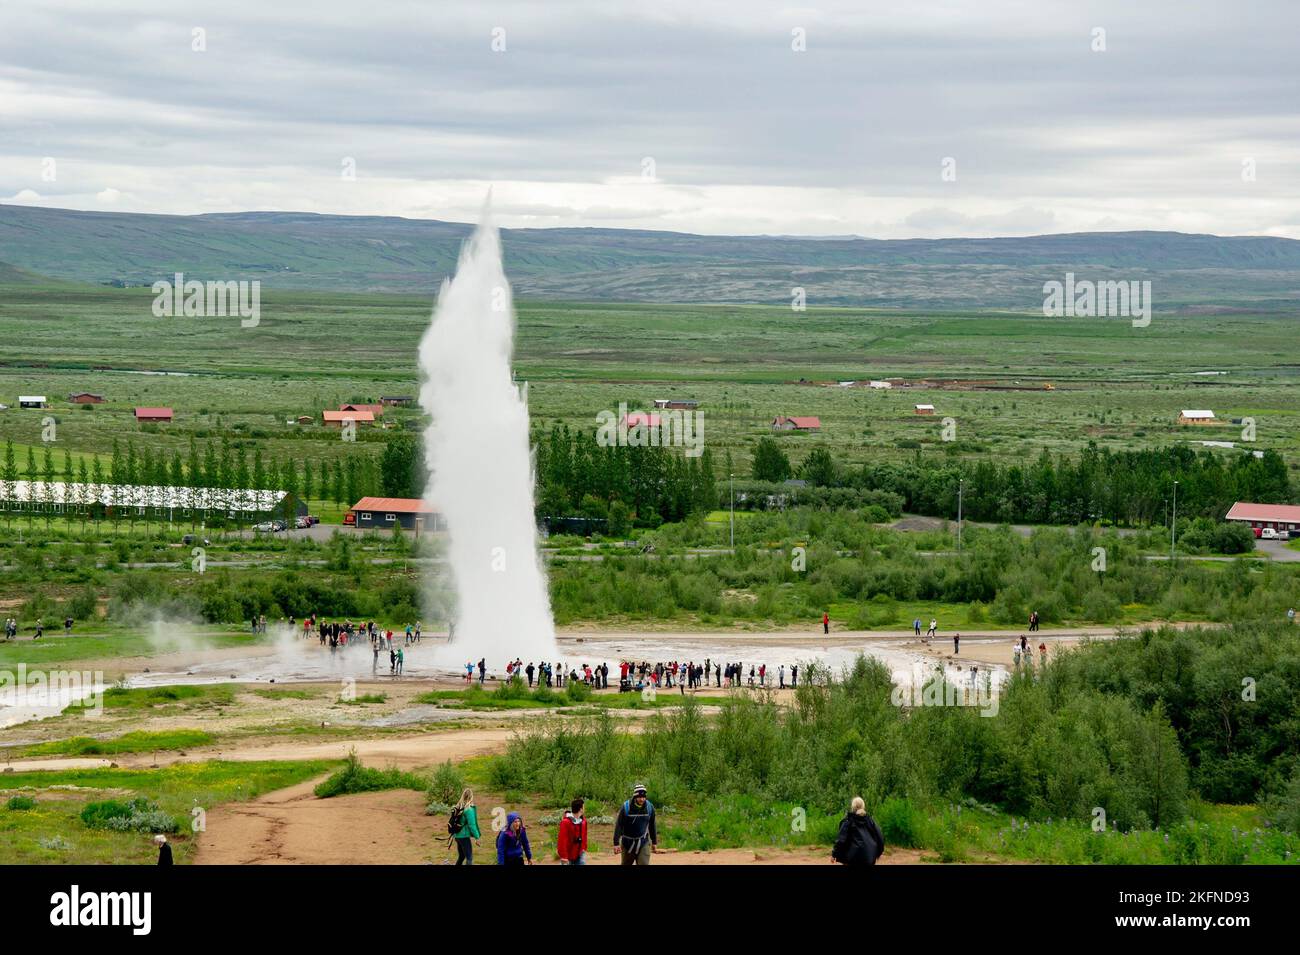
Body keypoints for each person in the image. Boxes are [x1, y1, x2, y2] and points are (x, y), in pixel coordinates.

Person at [831, 796, 885, 866]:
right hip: (868, 858)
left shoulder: (848, 821)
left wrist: (834, 854)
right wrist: (878, 853)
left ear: (852, 807)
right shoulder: (870, 821)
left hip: (851, 860)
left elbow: (841, 840)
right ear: (863, 806)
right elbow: (880, 837)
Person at [613, 783, 657, 865]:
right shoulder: (626, 807)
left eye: (644, 797)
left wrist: (654, 842)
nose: (642, 799)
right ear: (635, 797)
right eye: (640, 797)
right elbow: (619, 825)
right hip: (627, 843)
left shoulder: (649, 807)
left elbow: (652, 825)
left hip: (643, 842)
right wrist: (616, 843)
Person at [449, 788, 481, 865]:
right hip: (464, 836)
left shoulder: (458, 807)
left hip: (457, 836)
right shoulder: (469, 810)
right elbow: (472, 825)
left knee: (461, 856)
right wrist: (477, 837)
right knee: (469, 858)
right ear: (471, 797)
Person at [557, 797, 589, 865]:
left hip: (580, 853)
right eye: (583, 807)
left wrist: (584, 848)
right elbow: (562, 840)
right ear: (580, 809)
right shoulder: (566, 822)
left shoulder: (583, 822)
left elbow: (584, 835)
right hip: (568, 855)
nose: (584, 809)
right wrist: (563, 856)